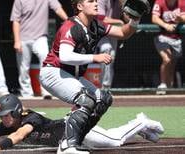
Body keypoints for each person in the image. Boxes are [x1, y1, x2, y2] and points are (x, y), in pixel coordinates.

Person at [38, 0, 149, 153]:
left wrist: (135, 19)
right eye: (91, 1)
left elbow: (123, 33)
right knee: (86, 99)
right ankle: (66, 146)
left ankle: (77, 138)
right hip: (53, 72)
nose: (96, 3)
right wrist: (94, 57)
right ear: (79, 6)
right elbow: (64, 56)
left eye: (96, 1)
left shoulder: (97, 25)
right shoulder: (71, 26)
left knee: (103, 98)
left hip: (72, 75)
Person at [0, 94, 164, 152]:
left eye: (6, 115)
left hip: (75, 129)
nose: (3, 119)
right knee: (112, 137)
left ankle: (140, 121)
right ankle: (143, 131)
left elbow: (18, 136)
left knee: (115, 140)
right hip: (71, 139)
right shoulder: (7, 124)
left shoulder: (31, 118)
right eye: (1, 116)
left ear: (16, 111)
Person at [10, 0, 68, 99]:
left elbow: (57, 8)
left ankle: (46, 91)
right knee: (23, 67)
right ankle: (26, 93)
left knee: (45, 60)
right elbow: (16, 20)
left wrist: (68, 21)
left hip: (40, 37)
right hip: (23, 37)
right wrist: (17, 40)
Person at [152, 0, 185, 90]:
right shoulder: (160, 2)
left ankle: (169, 87)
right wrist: (165, 25)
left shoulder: (182, 2)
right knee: (167, 59)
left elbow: (184, 17)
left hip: (176, 39)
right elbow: (154, 18)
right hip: (162, 37)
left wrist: (180, 19)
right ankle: (162, 84)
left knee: (172, 64)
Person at [97, 0, 124, 89]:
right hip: (99, 31)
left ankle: (106, 88)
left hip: (112, 31)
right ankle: (103, 87)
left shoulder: (120, 2)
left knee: (111, 59)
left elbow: (128, 19)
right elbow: (101, 18)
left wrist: (124, 5)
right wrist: (119, 22)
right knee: (106, 48)